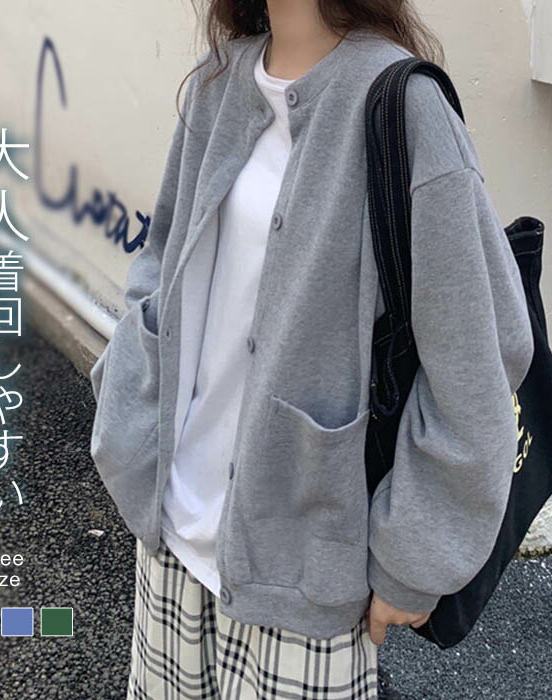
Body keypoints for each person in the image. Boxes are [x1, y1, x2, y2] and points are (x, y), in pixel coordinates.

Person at [89, 1, 535, 698]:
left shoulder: (404, 107)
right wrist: (128, 417)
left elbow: (479, 357)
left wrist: (414, 559)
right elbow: (161, 263)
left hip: (308, 573)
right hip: (171, 536)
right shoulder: (218, 82)